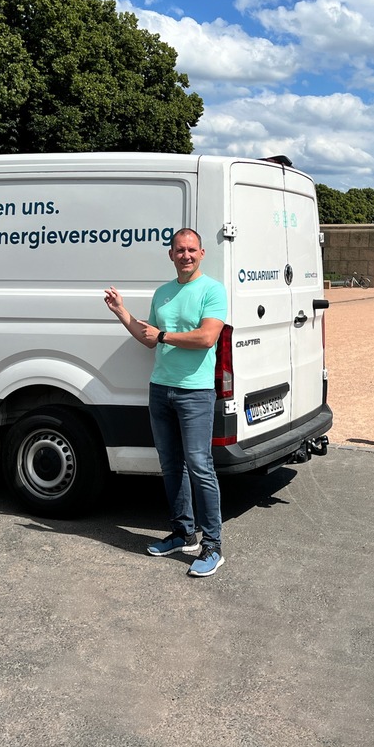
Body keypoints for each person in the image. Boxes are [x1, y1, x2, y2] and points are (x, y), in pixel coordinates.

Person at [104, 228, 228, 577]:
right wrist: (121, 312)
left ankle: (213, 545)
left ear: (202, 253)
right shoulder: (163, 293)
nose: (185, 255)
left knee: (200, 466)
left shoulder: (212, 290)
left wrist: (163, 336)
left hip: (195, 393)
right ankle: (183, 532)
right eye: (179, 250)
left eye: (191, 250)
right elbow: (148, 340)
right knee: (171, 465)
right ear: (170, 255)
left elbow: (207, 337)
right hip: (161, 389)